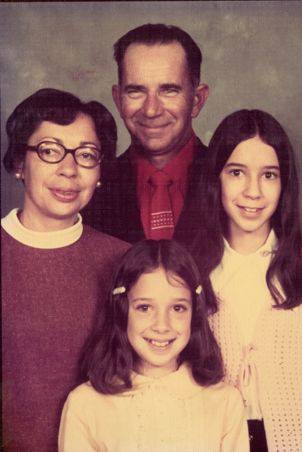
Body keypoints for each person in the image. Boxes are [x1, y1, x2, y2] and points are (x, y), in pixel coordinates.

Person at [1, 88, 130, 452]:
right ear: (18, 164)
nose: (69, 169)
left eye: (86, 155)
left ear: (100, 172)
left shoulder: (123, 262)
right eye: (50, 151)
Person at [190, 109, 302, 451]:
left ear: (284, 183)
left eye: (269, 175)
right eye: (237, 172)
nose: (253, 191)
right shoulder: (188, 271)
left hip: (299, 439)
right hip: (212, 440)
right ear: (215, 177)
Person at [59, 239, 249, 451]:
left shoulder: (225, 403)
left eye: (177, 308)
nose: (161, 325)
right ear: (123, 311)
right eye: (145, 308)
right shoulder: (85, 405)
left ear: (194, 314)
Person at [82, 23, 209, 243]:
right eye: (136, 91)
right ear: (118, 99)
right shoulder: (88, 188)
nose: (151, 110)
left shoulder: (235, 182)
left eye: (168, 90)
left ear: (197, 100)